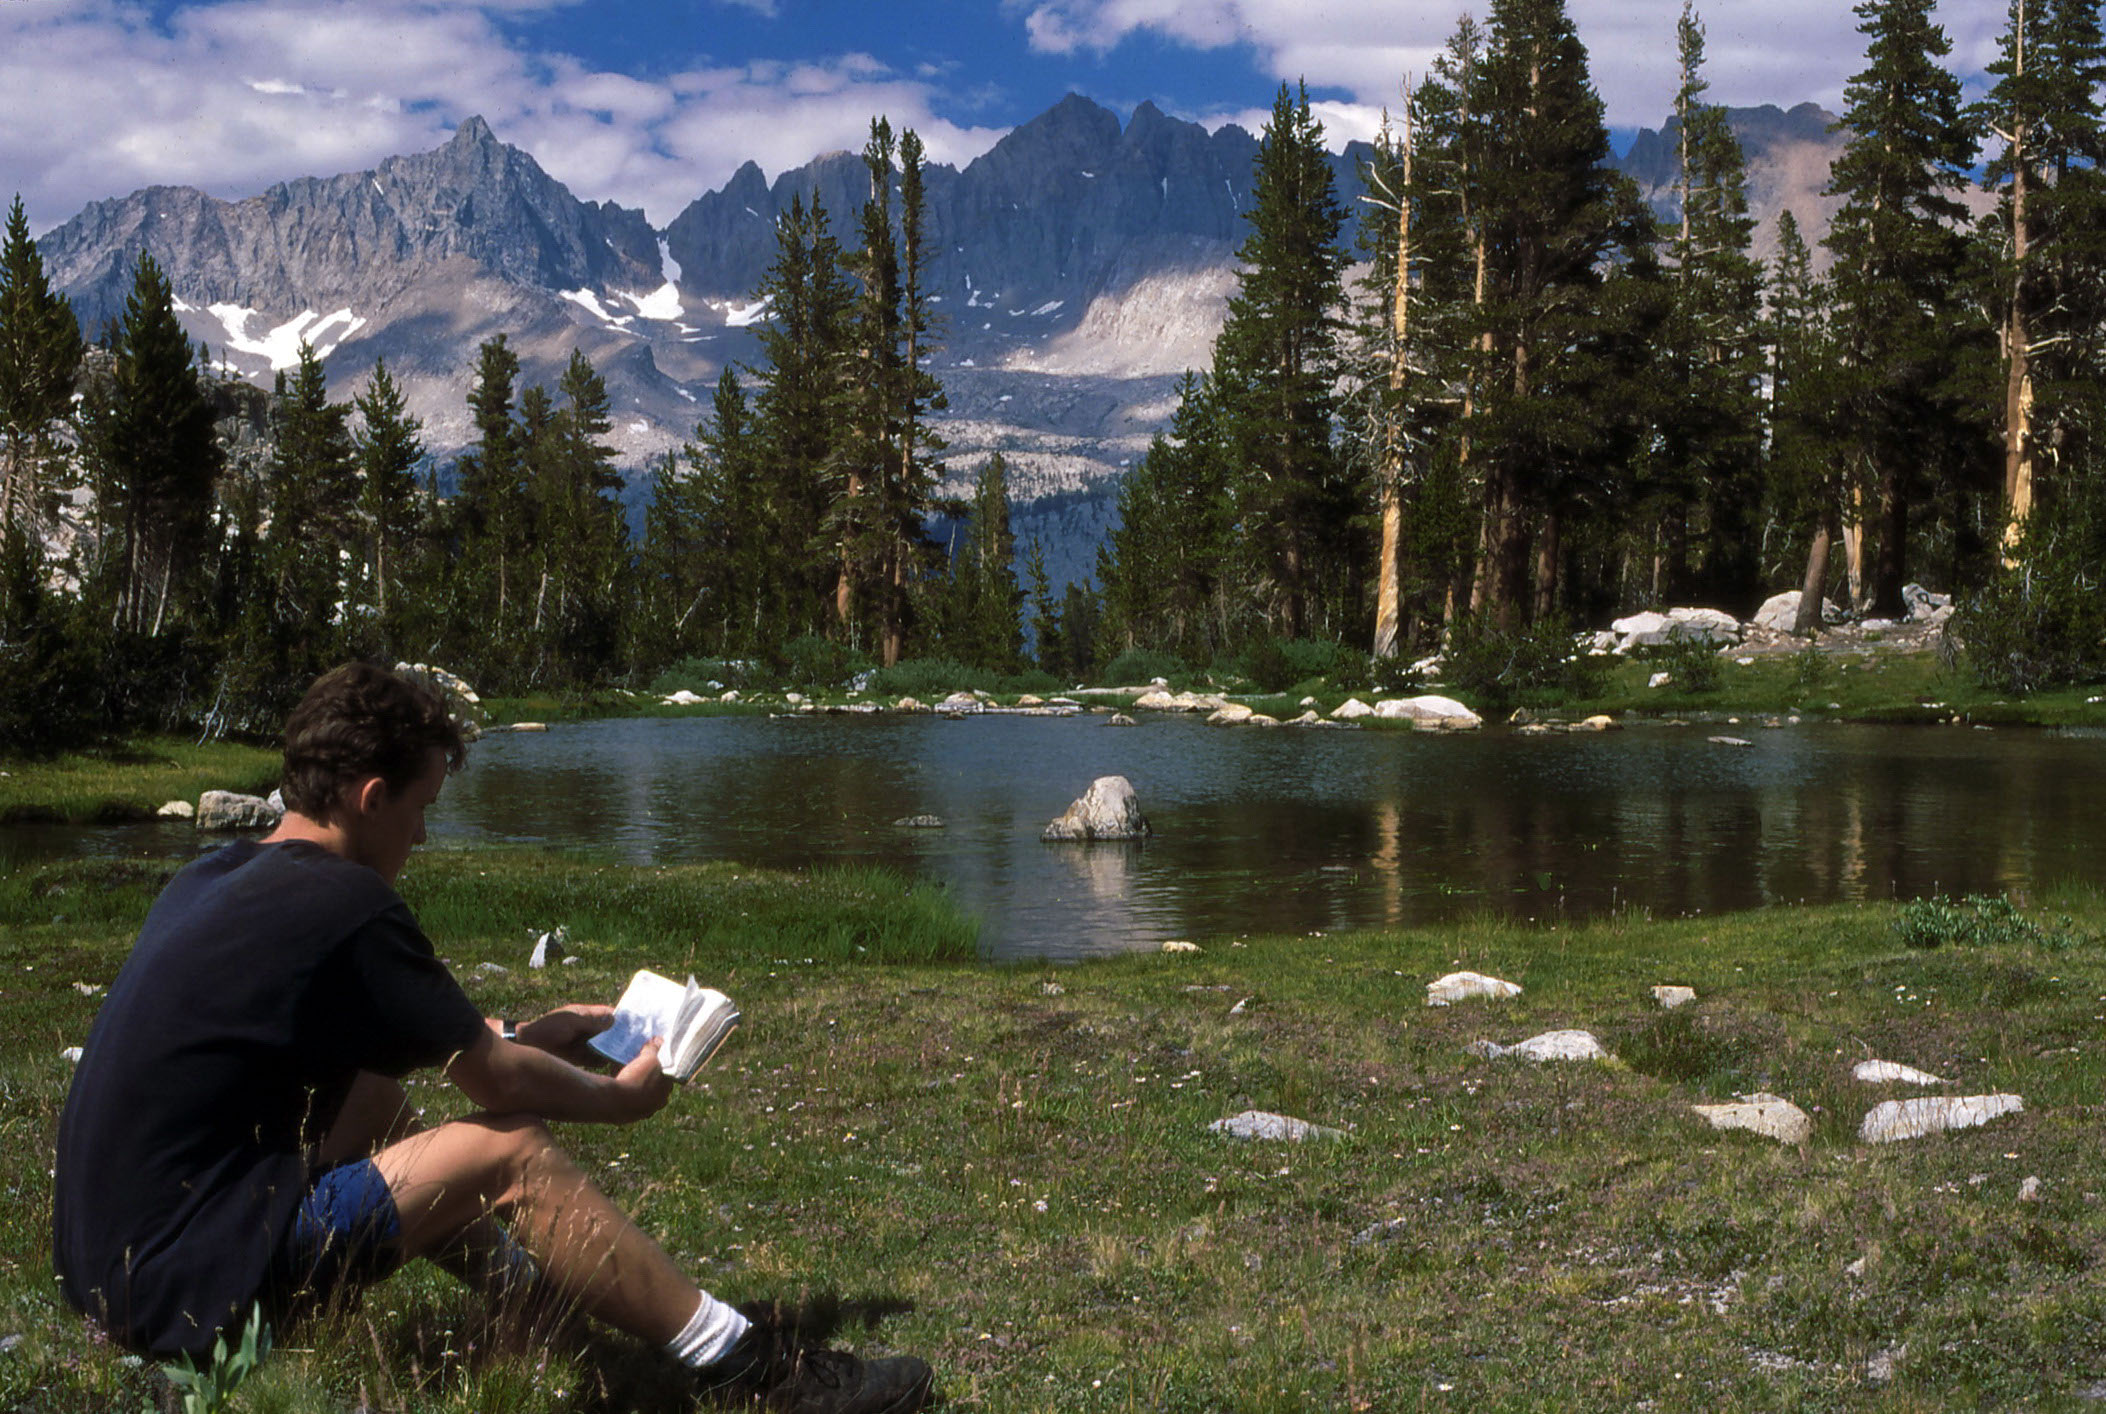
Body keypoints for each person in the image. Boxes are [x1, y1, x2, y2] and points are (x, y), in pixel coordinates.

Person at [52, 661, 935, 1413]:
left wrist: (541, 1032)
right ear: (369, 797)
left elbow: (444, 1042)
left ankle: (536, 1308)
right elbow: (495, 1087)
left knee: (378, 1098)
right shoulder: (346, 905)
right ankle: (754, 1368)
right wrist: (623, 1100)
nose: (425, 832)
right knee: (506, 1153)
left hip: (110, 1271)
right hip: (189, 1289)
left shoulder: (223, 874)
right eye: (421, 806)